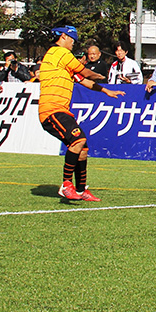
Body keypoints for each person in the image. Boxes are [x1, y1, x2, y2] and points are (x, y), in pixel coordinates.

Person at [39, 25, 125, 201]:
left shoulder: (61, 61)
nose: (73, 44)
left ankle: (80, 190)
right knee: (78, 140)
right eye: (72, 40)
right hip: (52, 110)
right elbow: (86, 73)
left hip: (60, 110)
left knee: (83, 149)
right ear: (63, 37)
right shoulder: (60, 53)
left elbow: (82, 80)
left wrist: (106, 91)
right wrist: (100, 74)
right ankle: (66, 185)